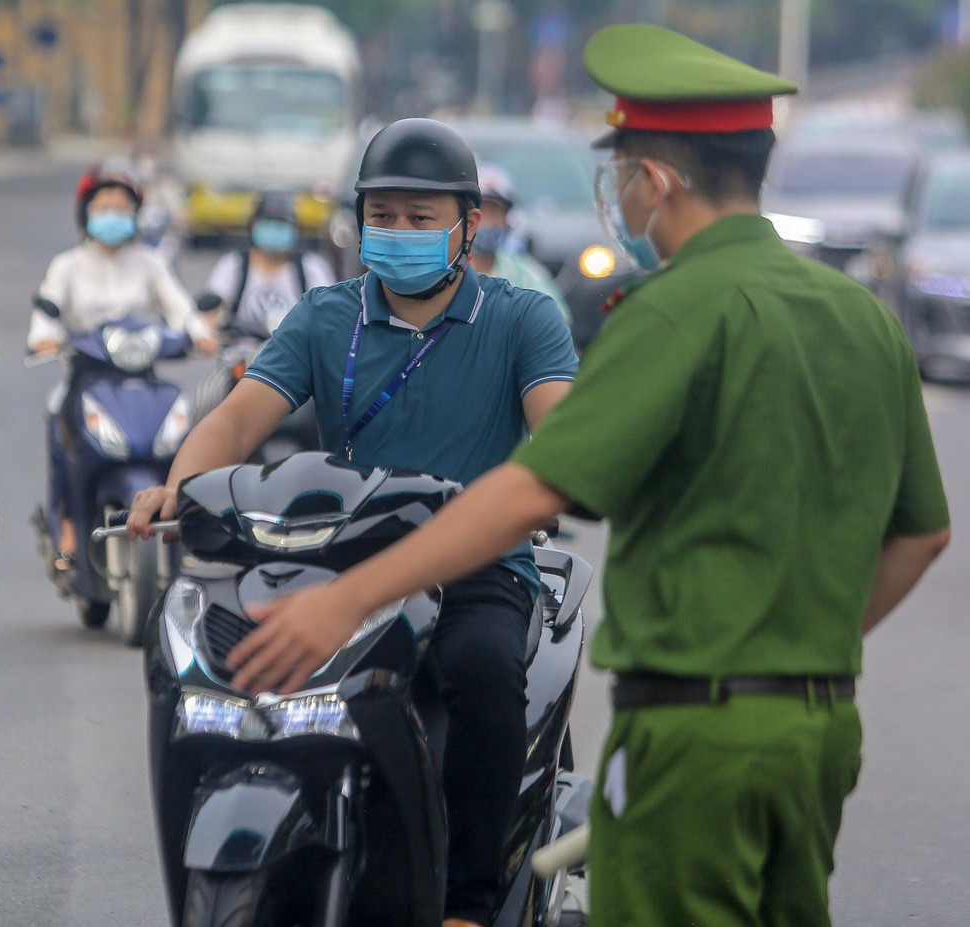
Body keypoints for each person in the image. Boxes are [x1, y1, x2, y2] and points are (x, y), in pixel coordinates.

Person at [231, 25, 951, 927]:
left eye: (618, 172)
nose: (616, 193)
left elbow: (536, 488)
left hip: (694, 737)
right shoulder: (864, 319)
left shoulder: (674, 313)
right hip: (817, 729)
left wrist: (348, 597)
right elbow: (922, 534)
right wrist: (795, 650)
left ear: (652, 178)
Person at [129, 118, 578, 927]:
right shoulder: (324, 317)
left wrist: (580, 458)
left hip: (477, 566)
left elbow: (565, 425)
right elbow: (235, 422)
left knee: (481, 669)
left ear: (470, 225)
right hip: (339, 561)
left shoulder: (522, 319)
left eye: (421, 217)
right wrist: (177, 485)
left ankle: (468, 902)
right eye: (383, 215)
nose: (399, 232)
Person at [28, 161, 217, 566]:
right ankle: (65, 521)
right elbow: (48, 311)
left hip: (141, 377)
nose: (113, 214)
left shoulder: (150, 263)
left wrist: (200, 331)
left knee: (181, 426)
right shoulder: (67, 265)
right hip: (86, 376)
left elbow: (179, 306)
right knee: (56, 416)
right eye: (104, 206)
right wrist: (44, 336)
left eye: (122, 207)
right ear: (87, 212)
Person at [202, 191, 337, 337]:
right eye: (269, 223)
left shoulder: (310, 267)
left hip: (295, 349)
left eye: (282, 224)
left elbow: (329, 312)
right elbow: (212, 309)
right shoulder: (234, 264)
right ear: (253, 225)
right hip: (242, 347)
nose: (275, 230)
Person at [470, 163, 572, 323]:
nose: (488, 223)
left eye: (495, 213)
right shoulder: (447, 272)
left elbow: (558, 322)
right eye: (481, 213)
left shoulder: (526, 275)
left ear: (507, 220)